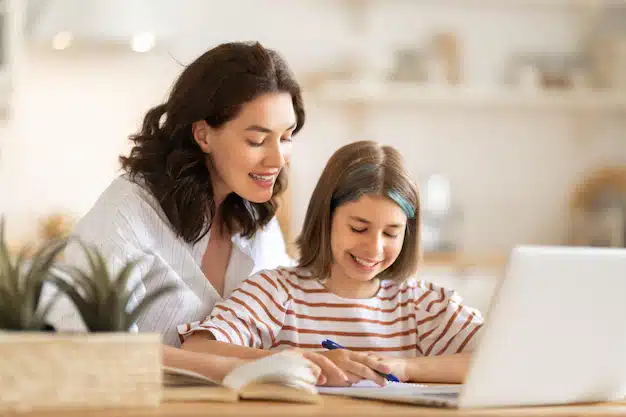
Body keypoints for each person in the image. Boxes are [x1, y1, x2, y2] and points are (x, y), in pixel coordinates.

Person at [46, 41, 346, 384]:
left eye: (286, 137)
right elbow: (92, 344)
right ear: (203, 134)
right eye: (257, 140)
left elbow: (286, 320)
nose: (277, 159)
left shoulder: (256, 222)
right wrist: (243, 367)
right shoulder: (127, 212)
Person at [178, 141, 484, 386]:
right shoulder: (276, 293)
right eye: (359, 228)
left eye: (391, 233)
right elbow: (197, 349)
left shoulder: (423, 306)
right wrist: (298, 360)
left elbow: (506, 359)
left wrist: (407, 367)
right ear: (326, 219)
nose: (374, 248)